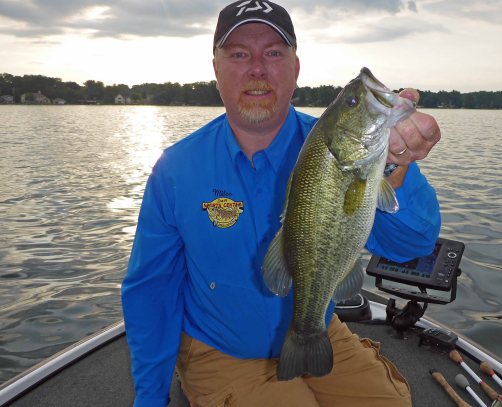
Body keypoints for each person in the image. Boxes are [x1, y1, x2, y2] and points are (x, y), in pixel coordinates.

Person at [122, 1, 442, 406]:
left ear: (296, 68)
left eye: (273, 53)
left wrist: (395, 166)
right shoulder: (174, 169)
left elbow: (412, 245)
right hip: (220, 351)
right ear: (216, 68)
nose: (257, 68)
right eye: (239, 54)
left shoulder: (341, 151)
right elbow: (152, 289)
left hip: (322, 330)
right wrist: (150, 398)